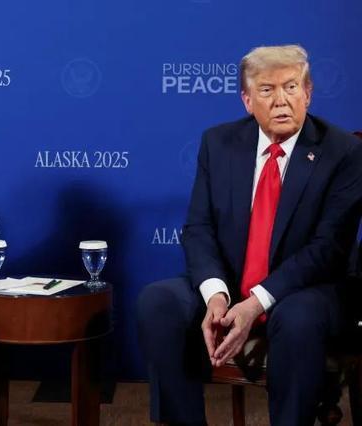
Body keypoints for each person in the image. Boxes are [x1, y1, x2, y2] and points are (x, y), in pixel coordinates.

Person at [136, 44, 362, 425]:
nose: (281, 101)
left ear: (308, 93)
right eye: (267, 90)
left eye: (291, 87)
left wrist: (257, 302)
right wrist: (216, 295)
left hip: (310, 288)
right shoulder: (218, 143)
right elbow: (198, 228)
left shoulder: (343, 151)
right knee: (158, 302)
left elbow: (328, 249)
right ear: (247, 100)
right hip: (232, 282)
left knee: (296, 317)